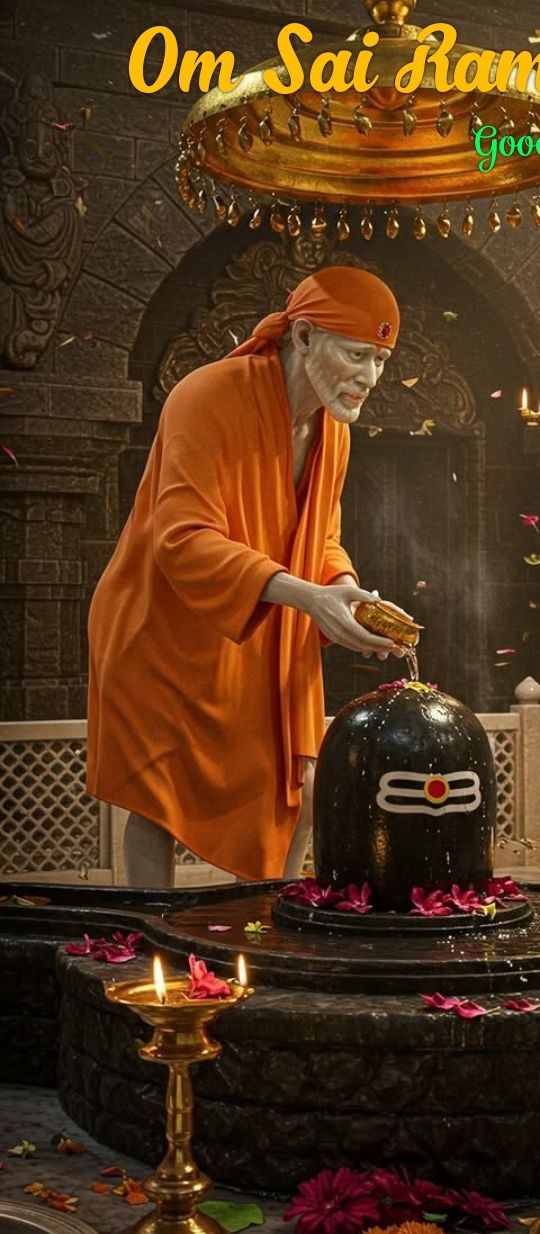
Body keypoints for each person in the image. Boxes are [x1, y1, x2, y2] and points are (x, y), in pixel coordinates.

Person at [86, 266, 409, 888]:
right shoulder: (206, 395)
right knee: (158, 803)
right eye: (358, 355)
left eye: (382, 360)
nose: (370, 377)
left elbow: (322, 539)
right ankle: (159, 941)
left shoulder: (333, 433)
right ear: (306, 336)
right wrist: (306, 596)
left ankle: (265, 929)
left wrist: (340, 587)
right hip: (161, 632)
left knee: (301, 793)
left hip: (261, 631)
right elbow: (180, 538)